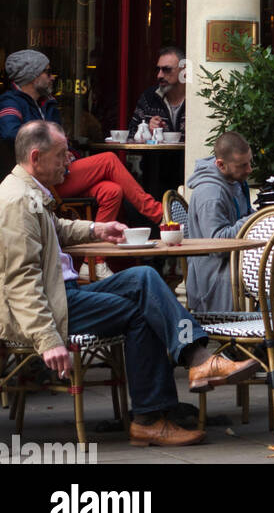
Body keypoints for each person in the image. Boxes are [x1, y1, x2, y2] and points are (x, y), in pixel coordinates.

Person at [0, 121, 259, 446]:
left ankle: (196, 361)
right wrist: (47, 339)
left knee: (144, 277)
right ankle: (151, 416)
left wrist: (96, 230)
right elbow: (19, 279)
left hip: (65, 293)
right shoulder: (17, 201)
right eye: (62, 155)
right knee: (140, 312)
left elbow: (55, 229)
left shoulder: (31, 191)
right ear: (36, 157)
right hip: (52, 305)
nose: (68, 162)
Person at [0, 49, 163, 232]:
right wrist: (50, 148)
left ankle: (95, 259)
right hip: (39, 180)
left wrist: (66, 152)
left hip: (58, 173)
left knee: (112, 191)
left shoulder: (46, 103)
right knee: (108, 160)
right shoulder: (11, 103)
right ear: (32, 77)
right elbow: (10, 133)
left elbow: (61, 141)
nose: (52, 77)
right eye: (47, 72)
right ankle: (159, 215)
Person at [185, 131, 254, 312]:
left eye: (249, 162)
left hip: (235, 263)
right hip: (215, 276)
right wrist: (256, 219)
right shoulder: (211, 195)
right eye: (243, 165)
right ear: (220, 165)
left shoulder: (233, 181)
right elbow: (217, 245)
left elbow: (244, 216)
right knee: (273, 275)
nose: (249, 170)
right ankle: (272, 331)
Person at [127, 46, 186, 139]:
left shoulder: (196, 99)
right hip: (157, 154)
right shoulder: (148, 97)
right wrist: (148, 132)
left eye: (166, 69)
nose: (159, 75)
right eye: (158, 69)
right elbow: (131, 137)